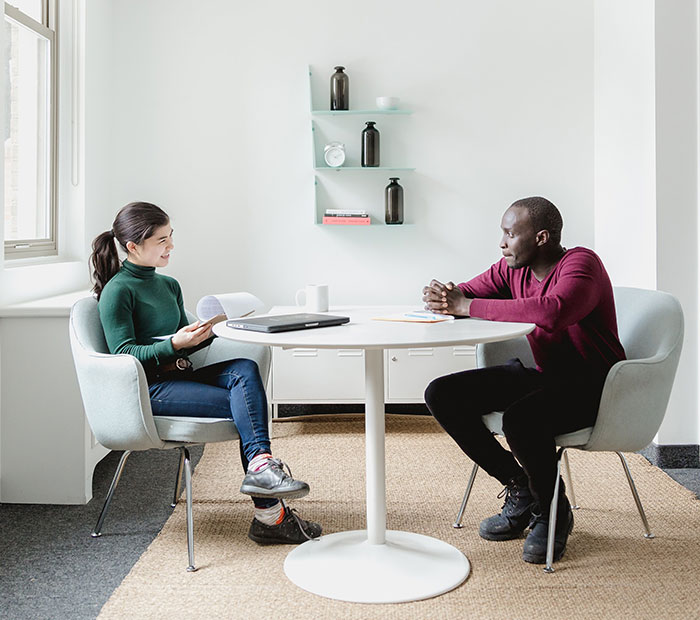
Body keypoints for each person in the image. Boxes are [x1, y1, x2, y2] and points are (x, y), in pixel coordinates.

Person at [90, 201, 321, 545]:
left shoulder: (169, 285)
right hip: (148, 390)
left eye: (171, 236)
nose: (171, 245)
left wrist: (211, 331)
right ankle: (270, 514)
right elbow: (124, 355)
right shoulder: (117, 291)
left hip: (180, 377)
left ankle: (262, 471)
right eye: (162, 240)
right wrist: (174, 344)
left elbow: (184, 345)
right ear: (133, 246)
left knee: (244, 369)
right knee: (247, 408)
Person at [422, 196, 625, 564]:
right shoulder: (512, 269)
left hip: (596, 389)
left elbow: (554, 311)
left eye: (510, 234)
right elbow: (465, 294)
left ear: (541, 237)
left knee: (521, 419)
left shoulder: (582, 263)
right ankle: (522, 487)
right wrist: (444, 298)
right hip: (549, 379)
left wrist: (465, 305)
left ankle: (553, 511)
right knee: (442, 393)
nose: (502, 243)